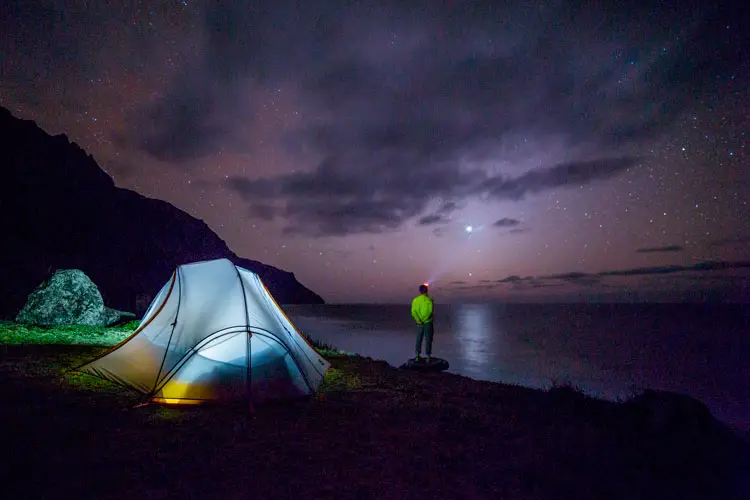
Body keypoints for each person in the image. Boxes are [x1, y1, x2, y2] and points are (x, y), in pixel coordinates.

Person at [411, 283, 434, 362]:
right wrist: (424, 320)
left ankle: (417, 356)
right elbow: (430, 312)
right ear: (426, 291)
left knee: (419, 338)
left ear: (419, 291)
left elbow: (413, 311)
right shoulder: (429, 300)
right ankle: (428, 357)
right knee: (428, 339)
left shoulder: (415, 300)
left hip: (419, 323)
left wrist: (418, 320)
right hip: (427, 322)